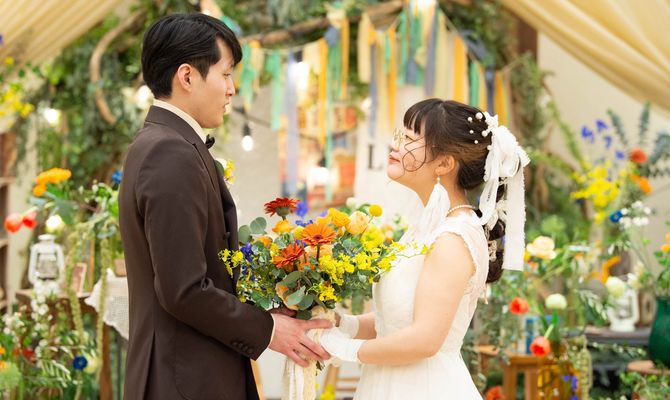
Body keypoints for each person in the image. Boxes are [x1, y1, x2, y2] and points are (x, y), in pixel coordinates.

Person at [118, 13, 330, 400]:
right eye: (226, 74)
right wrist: (268, 330)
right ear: (187, 76)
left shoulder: (165, 144)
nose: (232, 89)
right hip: (184, 381)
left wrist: (262, 310)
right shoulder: (169, 152)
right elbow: (184, 289)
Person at [320, 99, 530, 399]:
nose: (396, 145)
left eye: (409, 139)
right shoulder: (427, 227)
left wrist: (343, 348)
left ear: (444, 164)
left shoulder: (454, 237)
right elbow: (398, 321)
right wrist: (342, 324)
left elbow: (425, 340)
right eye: (401, 135)